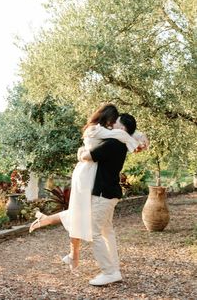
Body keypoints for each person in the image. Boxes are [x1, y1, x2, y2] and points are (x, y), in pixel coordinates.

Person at [29, 105, 147, 272]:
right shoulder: (102, 132)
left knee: (81, 214)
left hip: (90, 173)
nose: (113, 125)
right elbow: (120, 134)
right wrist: (136, 139)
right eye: (113, 121)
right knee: (80, 212)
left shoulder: (110, 134)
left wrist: (137, 137)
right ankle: (81, 257)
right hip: (87, 173)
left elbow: (121, 135)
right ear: (107, 119)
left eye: (116, 122)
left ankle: (77, 255)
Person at [80, 113, 138, 286]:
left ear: (122, 128)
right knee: (107, 232)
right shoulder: (121, 142)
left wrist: (81, 151)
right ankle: (114, 268)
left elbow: (86, 156)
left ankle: (109, 272)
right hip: (110, 193)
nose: (112, 125)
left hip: (103, 194)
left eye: (116, 123)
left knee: (95, 232)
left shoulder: (113, 143)